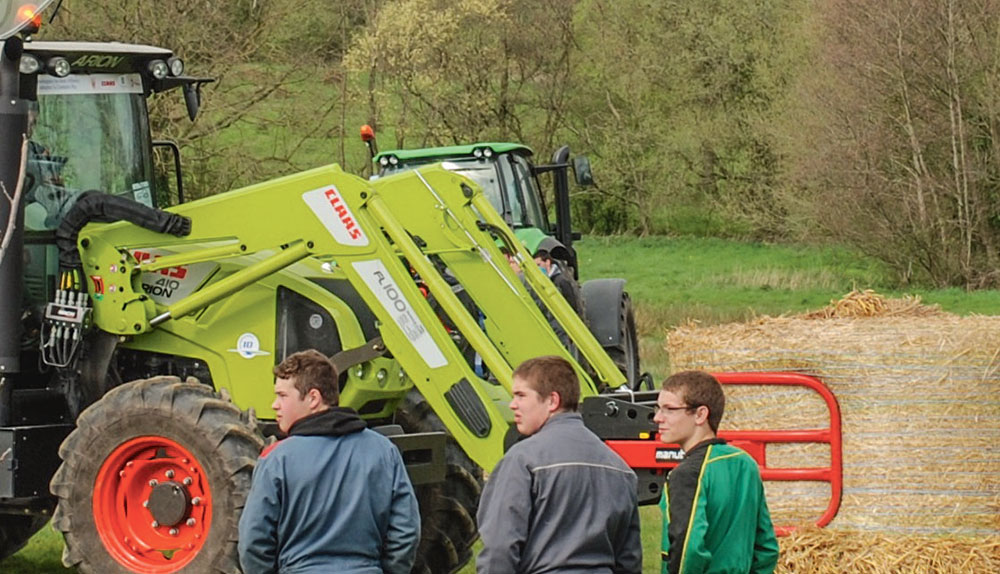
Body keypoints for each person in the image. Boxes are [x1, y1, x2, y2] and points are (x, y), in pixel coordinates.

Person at [238, 349, 420, 574]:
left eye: (283, 396)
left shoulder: (277, 459)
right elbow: (406, 530)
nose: (275, 405)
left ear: (313, 398)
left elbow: (253, 540)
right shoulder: (384, 451)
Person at [476, 356, 642, 574]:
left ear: (552, 401)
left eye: (521, 395)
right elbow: (628, 559)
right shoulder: (619, 467)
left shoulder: (523, 460)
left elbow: (500, 548)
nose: (512, 404)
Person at [653, 370, 779, 574]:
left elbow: (688, 550)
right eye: (658, 408)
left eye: (669, 409)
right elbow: (766, 549)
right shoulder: (744, 462)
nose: (658, 418)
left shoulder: (687, 474)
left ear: (700, 414)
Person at [533, 248, 583, 315]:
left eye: (538, 265)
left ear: (547, 262)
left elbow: (572, 304)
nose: (537, 268)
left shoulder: (560, 280)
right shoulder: (547, 280)